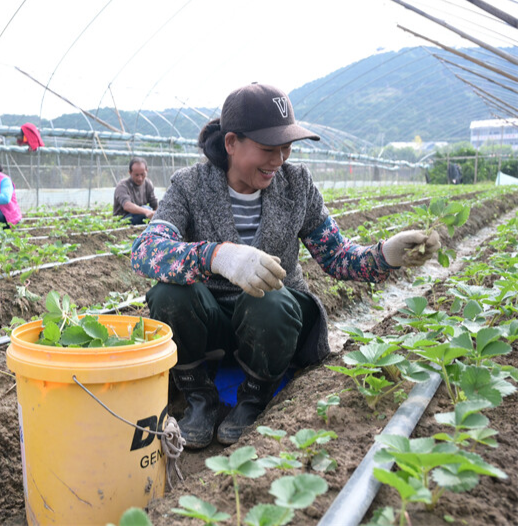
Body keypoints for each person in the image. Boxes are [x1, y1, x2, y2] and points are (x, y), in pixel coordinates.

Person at [130, 83, 440, 449]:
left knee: (269, 300)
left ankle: (255, 397)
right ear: (231, 143)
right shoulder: (190, 186)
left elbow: (338, 256)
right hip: (212, 319)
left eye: (286, 148)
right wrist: (219, 256)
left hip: (273, 322)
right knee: (168, 292)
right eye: (267, 149)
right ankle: (199, 398)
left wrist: (386, 254)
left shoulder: (297, 184)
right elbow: (146, 250)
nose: (279, 159)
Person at [113, 157, 159, 225]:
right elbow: (127, 205)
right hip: (123, 220)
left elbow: (155, 204)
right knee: (147, 209)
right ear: (130, 172)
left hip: (141, 216)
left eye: (142, 174)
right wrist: (147, 212)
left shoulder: (148, 184)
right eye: (136, 175)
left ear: (147, 171)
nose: (140, 178)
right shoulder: (122, 186)